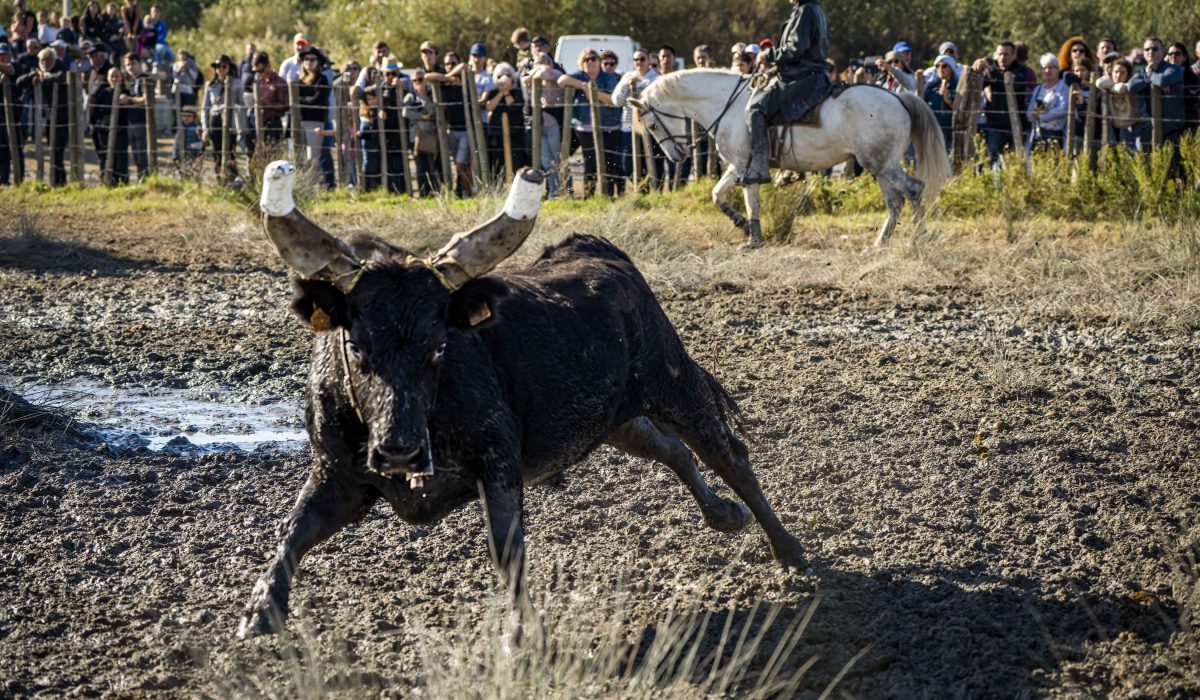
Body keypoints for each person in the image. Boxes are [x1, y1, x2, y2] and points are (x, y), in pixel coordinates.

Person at [741, 0, 831, 185]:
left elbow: (795, 48)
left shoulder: (805, 10)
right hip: (811, 72)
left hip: (802, 75)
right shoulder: (814, 8)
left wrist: (768, 55)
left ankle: (759, 168)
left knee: (755, 108)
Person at [558, 48, 621, 197]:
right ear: (582, 63)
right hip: (585, 128)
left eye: (593, 58)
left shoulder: (609, 77)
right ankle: (589, 195)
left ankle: (608, 195)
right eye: (586, 59)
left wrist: (593, 93)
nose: (590, 62)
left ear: (599, 62)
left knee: (609, 162)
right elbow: (561, 80)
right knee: (590, 162)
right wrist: (583, 85)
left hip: (609, 126)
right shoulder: (580, 76)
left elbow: (612, 101)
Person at [972, 42, 1029, 166]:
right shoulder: (992, 67)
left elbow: (1012, 85)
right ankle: (986, 183)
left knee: (1015, 165)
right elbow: (977, 86)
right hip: (995, 126)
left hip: (1016, 127)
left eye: (1006, 54)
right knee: (987, 157)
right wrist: (977, 68)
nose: (1003, 58)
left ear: (1014, 55)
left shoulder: (1021, 70)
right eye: (1000, 54)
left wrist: (993, 71)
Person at [611, 47, 660, 185]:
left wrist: (637, 86)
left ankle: (654, 192)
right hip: (629, 126)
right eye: (636, 59)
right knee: (627, 164)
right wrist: (628, 85)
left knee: (651, 162)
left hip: (650, 127)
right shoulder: (627, 77)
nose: (639, 62)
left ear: (649, 60)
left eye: (642, 59)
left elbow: (655, 100)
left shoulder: (656, 78)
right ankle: (641, 189)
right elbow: (617, 101)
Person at [1127, 37, 1185, 152]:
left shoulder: (1173, 69)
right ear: (1143, 53)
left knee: (1172, 169)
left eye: (1155, 48)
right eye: (1147, 49)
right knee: (1146, 168)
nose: (1150, 52)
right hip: (1148, 131)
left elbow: (1163, 80)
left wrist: (1149, 77)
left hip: (1172, 132)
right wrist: (1152, 78)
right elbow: (1131, 86)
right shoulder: (1144, 71)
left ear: (1162, 52)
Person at [199, 54, 245, 180]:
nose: (220, 69)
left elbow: (242, 104)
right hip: (215, 120)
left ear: (229, 67)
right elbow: (205, 107)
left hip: (230, 120)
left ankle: (232, 178)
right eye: (217, 66)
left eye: (224, 66)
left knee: (230, 151)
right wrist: (205, 127)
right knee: (217, 152)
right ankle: (220, 178)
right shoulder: (211, 85)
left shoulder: (237, 83)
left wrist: (231, 107)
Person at [403, 68, 441, 196]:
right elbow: (406, 112)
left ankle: (435, 192)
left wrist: (423, 96)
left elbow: (434, 109)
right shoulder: (410, 96)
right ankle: (423, 193)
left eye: (420, 79)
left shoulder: (431, 94)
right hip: (416, 137)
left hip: (431, 136)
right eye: (415, 80)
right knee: (420, 166)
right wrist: (423, 117)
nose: (418, 83)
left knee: (432, 165)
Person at [293, 46, 329, 176]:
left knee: (312, 158)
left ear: (318, 62)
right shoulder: (298, 81)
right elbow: (293, 99)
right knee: (298, 157)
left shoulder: (322, 79)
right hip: (299, 122)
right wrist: (306, 100)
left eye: (313, 59)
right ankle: (302, 188)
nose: (309, 62)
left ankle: (312, 189)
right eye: (306, 59)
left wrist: (301, 101)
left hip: (315, 122)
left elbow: (317, 100)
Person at [1094, 59, 1140, 150]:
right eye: (1116, 72)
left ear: (1128, 74)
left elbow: (1121, 88)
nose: (1118, 75)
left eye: (1122, 72)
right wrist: (1109, 78)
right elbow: (1099, 82)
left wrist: (1111, 87)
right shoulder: (1110, 84)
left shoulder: (1130, 86)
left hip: (1131, 125)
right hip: (1116, 125)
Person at [1026, 54, 1069, 151]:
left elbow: (1063, 109)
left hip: (1056, 135)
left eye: (1050, 67)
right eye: (1044, 68)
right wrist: (1033, 114)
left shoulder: (1063, 87)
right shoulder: (1038, 89)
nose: (1047, 71)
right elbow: (1029, 112)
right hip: (1038, 135)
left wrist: (1040, 116)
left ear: (1057, 69)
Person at [122, 51, 151, 179]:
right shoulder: (130, 81)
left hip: (142, 122)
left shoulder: (144, 79)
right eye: (127, 65)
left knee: (142, 156)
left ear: (140, 64)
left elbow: (147, 98)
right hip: (131, 122)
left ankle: (145, 180)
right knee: (136, 156)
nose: (130, 67)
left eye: (133, 63)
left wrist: (129, 100)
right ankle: (141, 179)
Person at [923, 54, 956, 151]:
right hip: (932, 131)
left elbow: (960, 109)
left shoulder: (957, 86)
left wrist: (947, 99)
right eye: (937, 66)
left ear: (951, 68)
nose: (940, 69)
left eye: (944, 66)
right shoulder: (931, 86)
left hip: (950, 133)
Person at [1166, 42, 1200, 134]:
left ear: (1184, 57)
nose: (1173, 56)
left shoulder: (1193, 78)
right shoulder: (1164, 76)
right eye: (1170, 54)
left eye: (1177, 54)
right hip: (1167, 125)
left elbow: (1193, 101)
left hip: (1187, 125)